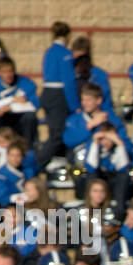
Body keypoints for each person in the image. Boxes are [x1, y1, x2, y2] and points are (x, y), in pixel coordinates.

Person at [38, 21, 75, 168]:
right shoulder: (65, 53)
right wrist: (75, 105)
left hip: (47, 93)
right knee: (57, 134)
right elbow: (69, 81)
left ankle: (59, 157)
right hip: (57, 95)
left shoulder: (49, 51)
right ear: (68, 35)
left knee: (55, 130)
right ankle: (39, 162)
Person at [0, 57, 39, 150]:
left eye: (10, 71)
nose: (8, 75)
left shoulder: (26, 83)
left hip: (21, 120)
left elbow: (33, 106)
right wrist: (13, 99)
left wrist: (9, 107)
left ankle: (27, 149)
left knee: (30, 117)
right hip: (4, 120)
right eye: (4, 72)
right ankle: (0, 145)